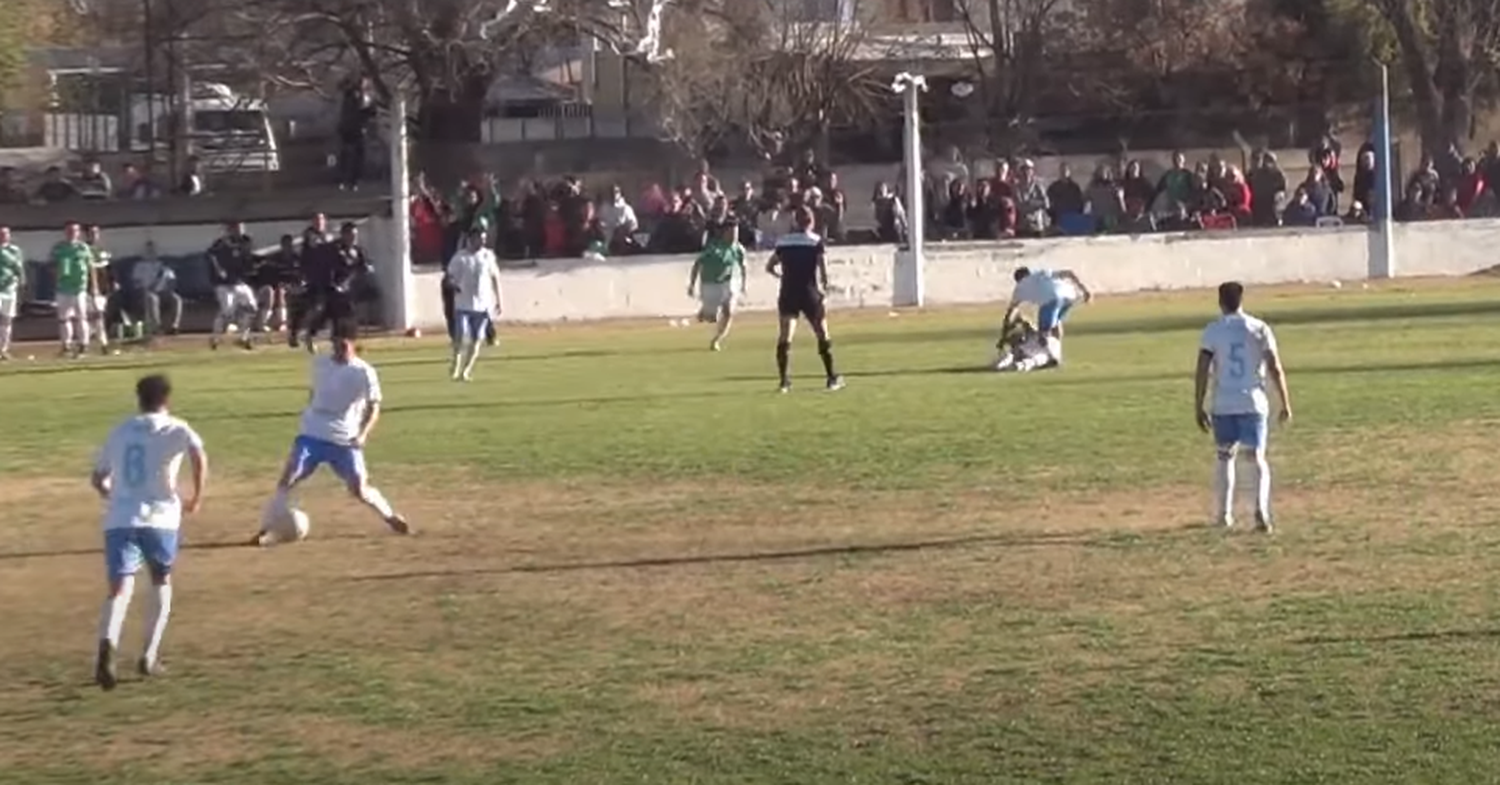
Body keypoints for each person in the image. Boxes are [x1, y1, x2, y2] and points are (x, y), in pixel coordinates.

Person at [89, 374, 208, 689]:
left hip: (121, 518)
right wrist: (196, 495)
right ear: (167, 399)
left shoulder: (121, 430)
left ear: (138, 398)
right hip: (160, 518)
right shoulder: (177, 427)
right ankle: (148, 656)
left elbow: (98, 476)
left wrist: (109, 492)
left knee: (118, 589)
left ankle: (107, 645)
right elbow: (198, 454)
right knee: (160, 580)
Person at [251, 319, 411, 545]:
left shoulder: (364, 373)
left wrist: (363, 434)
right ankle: (266, 529)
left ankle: (390, 517)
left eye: (343, 345)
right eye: (335, 344)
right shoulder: (320, 363)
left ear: (354, 344)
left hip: (344, 439)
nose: (338, 350)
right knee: (288, 478)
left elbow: (374, 407)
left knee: (359, 488)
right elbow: (314, 392)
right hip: (312, 434)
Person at [1194, 281, 1293, 533]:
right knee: (1256, 458)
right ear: (1241, 300)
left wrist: (1198, 404)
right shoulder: (1259, 328)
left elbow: (1203, 369)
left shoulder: (1213, 331)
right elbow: (1274, 366)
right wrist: (1285, 402)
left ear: (1220, 302)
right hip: (1253, 402)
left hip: (1224, 403)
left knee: (1225, 456)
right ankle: (1260, 510)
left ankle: (1224, 514)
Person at [765, 206, 843, 393]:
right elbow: (823, 270)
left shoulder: (783, 243)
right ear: (812, 221)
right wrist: (825, 287)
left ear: (795, 221)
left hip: (788, 292)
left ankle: (784, 382)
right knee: (822, 334)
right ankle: (832, 378)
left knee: (785, 336)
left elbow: (770, 266)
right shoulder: (816, 242)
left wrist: (780, 276)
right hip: (809, 292)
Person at [998, 266, 1093, 371]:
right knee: (1056, 323)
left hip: (1052, 299)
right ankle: (1057, 352)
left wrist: (1003, 337)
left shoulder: (1019, 288)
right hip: (1069, 296)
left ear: (1017, 280)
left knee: (1044, 332)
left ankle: (1053, 358)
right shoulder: (1042, 273)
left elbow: (1010, 314)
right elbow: (1069, 273)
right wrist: (1085, 290)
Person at [299, 222, 371, 353]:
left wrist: (365, 269)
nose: (353, 238)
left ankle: (345, 343)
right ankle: (313, 336)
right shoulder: (334, 249)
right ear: (343, 235)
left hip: (347, 289)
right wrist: (333, 284)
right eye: (350, 235)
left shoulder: (357, 251)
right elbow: (326, 268)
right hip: (330, 286)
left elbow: (363, 266)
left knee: (347, 315)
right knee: (330, 313)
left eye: (355, 236)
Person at [444, 228, 503, 381]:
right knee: (461, 337)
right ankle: (456, 364)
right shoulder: (460, 258)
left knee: (477, 339)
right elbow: (449, 276)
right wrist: (453, 285)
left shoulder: (488, 256)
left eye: (484, 239)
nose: (482, 242)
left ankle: (466, 371)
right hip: (463, 304)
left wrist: (499, 300)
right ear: (471, 239)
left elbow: (495, 278)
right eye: (479, 239)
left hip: (482, 305)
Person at [687, 220, 747, 351]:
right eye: (731, 233)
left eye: (736, 233)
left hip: (728, 283)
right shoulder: (714, 249)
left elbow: (743, 267)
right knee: (711, 318)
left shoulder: (738, 249)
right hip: (710, 284)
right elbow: (697, 265)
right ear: (724, 233)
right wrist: (691, 284)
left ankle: (716, 340)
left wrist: (743, 285)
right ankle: (704, 312)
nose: (734, 236)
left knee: (729, 312)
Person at [206, 221, 257, 350]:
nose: (238, 231)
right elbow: (211, 255)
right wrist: (218, 270)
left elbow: (248, 259)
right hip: (224, 284)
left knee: (251, 308)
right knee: (227, 311)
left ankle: (243, 338)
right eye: (235, 228)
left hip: (239, 283)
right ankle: (215, 338)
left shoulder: (245, 242)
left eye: (240, 228)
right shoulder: (221, 243)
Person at [52, 222, 96, 358]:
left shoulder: (83, 248)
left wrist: (94, 286)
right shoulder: (59, 248)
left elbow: (91, 267)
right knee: (64, 318)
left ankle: (84, 345)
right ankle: (66, 345)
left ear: (79, 233)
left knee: (81, 317)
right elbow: (53, 266)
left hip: (79, 287)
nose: (72, 233)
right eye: (69, 230)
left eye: (75, 230)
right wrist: (57, 274)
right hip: (63, 287)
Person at [129, 242, 182, 337]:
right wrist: (145, 289)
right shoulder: (139, 266)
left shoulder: (162, 266)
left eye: (152, 250)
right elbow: (135, 283)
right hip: (144, 293)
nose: (150, 252)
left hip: (161, 292)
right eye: (148, 250)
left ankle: (174, 326)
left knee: (176, 299)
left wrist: (168, 289)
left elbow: (172, 281)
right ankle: (157, 327)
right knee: (152, 298)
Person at [0, 226, 23, 360]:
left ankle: (4, 349)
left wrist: (22, 284)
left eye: (5, 234)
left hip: (10, 289)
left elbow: (19, 269)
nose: (3, 236)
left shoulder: (15, 251)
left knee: (7, 320)